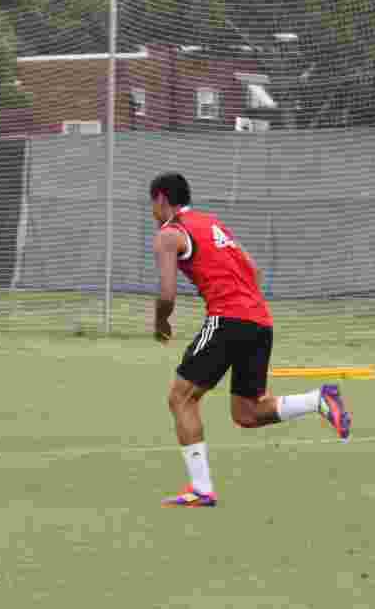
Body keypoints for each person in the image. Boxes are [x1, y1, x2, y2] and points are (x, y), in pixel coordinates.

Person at [149, 173, 351, 508]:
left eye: (152, 204)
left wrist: (161, 324)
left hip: (228, 319)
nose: (152, 212)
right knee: (247, 414)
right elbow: (253, 270)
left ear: (160, 199)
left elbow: (167, 295)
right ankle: (319, 400)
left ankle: (201, 490)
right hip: (260, 322)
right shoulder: (213, 224)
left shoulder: (169, 234)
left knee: (180, 398)